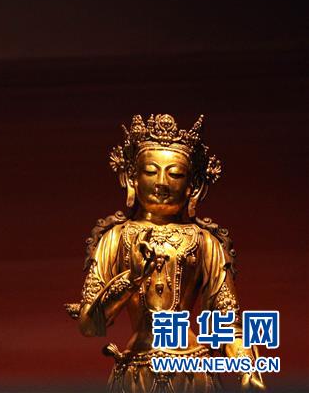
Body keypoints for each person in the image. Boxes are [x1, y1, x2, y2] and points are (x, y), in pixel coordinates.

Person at [65, 114, 264, 392]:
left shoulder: (205, 242)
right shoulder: (116, 238)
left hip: (193, 370)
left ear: (194, 186)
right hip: (136, 371)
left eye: (175, 174)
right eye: (150, 171)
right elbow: (89, 324)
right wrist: (131, 279)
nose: (162, 183)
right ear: (132, 179)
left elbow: (227, 323)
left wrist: (247, 366)